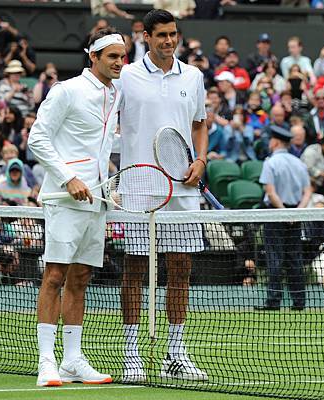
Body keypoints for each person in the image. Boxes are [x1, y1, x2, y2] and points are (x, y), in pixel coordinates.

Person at [27, 27, 125, 387]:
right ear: (93, 56)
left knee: (81, 279)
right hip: (63, 199)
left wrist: (108, 185)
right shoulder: (66, 90)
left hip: (97, 201)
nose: (118, 62)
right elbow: (37, 137)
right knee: (54, 276)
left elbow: (98, 148)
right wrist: (68, 177)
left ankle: (72, 359)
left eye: (121, 56)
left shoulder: (115, 94)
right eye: (111, 56)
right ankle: (47, 362)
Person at [117, 10, 208, 382]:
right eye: (162, 36)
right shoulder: (126, 76)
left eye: (173, 35)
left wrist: (200, 160)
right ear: (146, 37)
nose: (169, 41)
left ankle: (175, 352)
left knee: (181, 270)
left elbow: (200, 124)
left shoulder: (194, 76)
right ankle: (132, 353)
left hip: (182, 187)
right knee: (135, 268)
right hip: (139, 185)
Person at [258, 125, 311, 310]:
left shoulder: (270, 162)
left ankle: (273, 302)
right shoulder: (300, 163)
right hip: (294, 215)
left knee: (275, 259)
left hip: (275, 214)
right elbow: (307, 192)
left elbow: (271, 193)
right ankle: (299, 302)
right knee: (294, 259)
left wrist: (283, 212)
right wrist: (296, 212)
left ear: (276, 142)